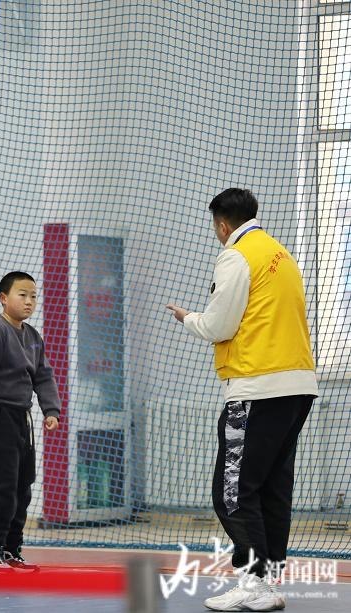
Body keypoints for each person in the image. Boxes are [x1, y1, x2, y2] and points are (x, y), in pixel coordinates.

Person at [167, 188, 318, 612]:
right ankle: (267, 582)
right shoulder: (281, 254)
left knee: (231, 492)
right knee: (271, 487)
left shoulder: (237, 255)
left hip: (257, 387)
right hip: (298, 386)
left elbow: (219, 325)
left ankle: (252, 582)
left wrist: (188, 318)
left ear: (222, 225)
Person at [0, 271, 60, 573]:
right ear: (3, 298)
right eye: (22, 295)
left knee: (23, 487)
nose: (29, 301)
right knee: (3, 487)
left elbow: (43, 376)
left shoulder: (32, 336)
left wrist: (51, 410)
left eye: (33, 296)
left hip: (23, 418)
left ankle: (10, 550)